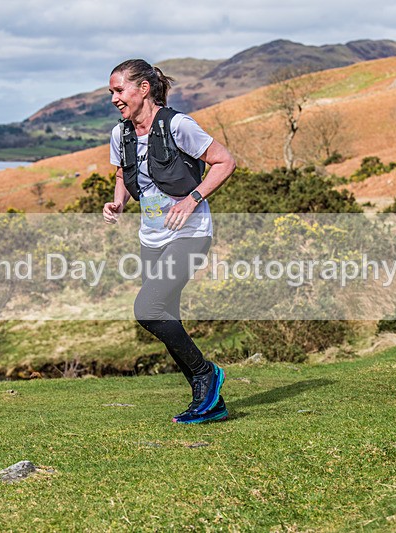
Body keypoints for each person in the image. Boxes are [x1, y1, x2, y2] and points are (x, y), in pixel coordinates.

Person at [103, 59, 236, 423]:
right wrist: (119, 201)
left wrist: (193, 199)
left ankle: (207, 374)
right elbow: (123, 173)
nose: (114, 98)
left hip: (190, 235)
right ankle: (210, 403)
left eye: (119, 90)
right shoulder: (122, 134)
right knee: (166, 318)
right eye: (111, 92)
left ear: (143, 88)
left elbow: (224, 162)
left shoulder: (178, 125)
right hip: (151, 238)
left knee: (147, 310)